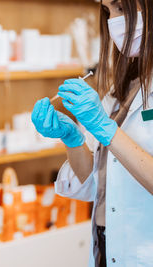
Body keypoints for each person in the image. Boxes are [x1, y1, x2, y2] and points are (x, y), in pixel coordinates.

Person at [31, 0, 153, 266]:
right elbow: (94, 183)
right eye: (108, 11)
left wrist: (106, 129)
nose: (113, 21)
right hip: (107, 244)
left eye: (120, 7)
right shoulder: (122, 86)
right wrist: (72, 138)